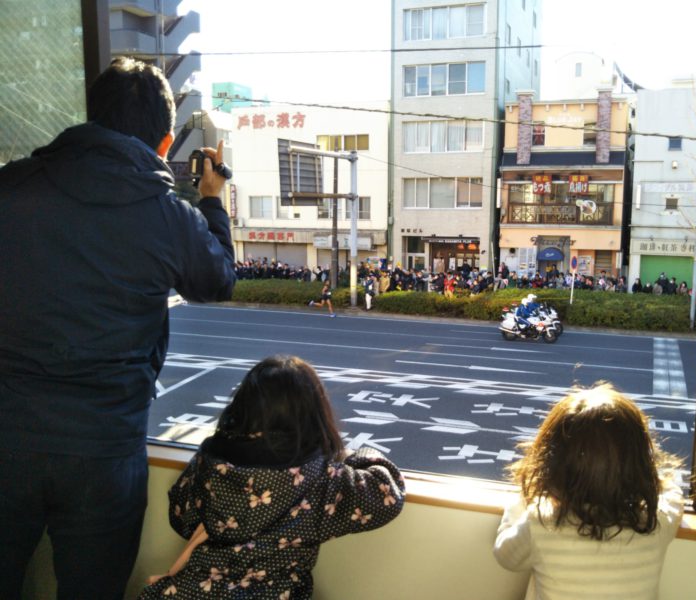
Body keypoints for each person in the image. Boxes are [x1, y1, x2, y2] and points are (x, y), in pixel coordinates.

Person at [0, 57, 236, 599]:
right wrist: (210, 198)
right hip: (103, 450)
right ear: (164, 142)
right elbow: (217, 280)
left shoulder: (12, 188)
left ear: (92, 118)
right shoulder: (163, 214)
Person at [138, 356, 405, 599]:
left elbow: (180, 517)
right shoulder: (323, 479)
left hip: (193, 592)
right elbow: (387, 493)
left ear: (241, 407)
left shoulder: (210, 459)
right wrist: (359, 456)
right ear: (315, 415)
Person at [494, 385, 684, 600]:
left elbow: (505, 555)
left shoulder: (541, 524)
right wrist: (652, 479)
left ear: (552, 466)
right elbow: (674, 496)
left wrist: (522, 502)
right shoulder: (656, 523)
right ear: (639, 466)